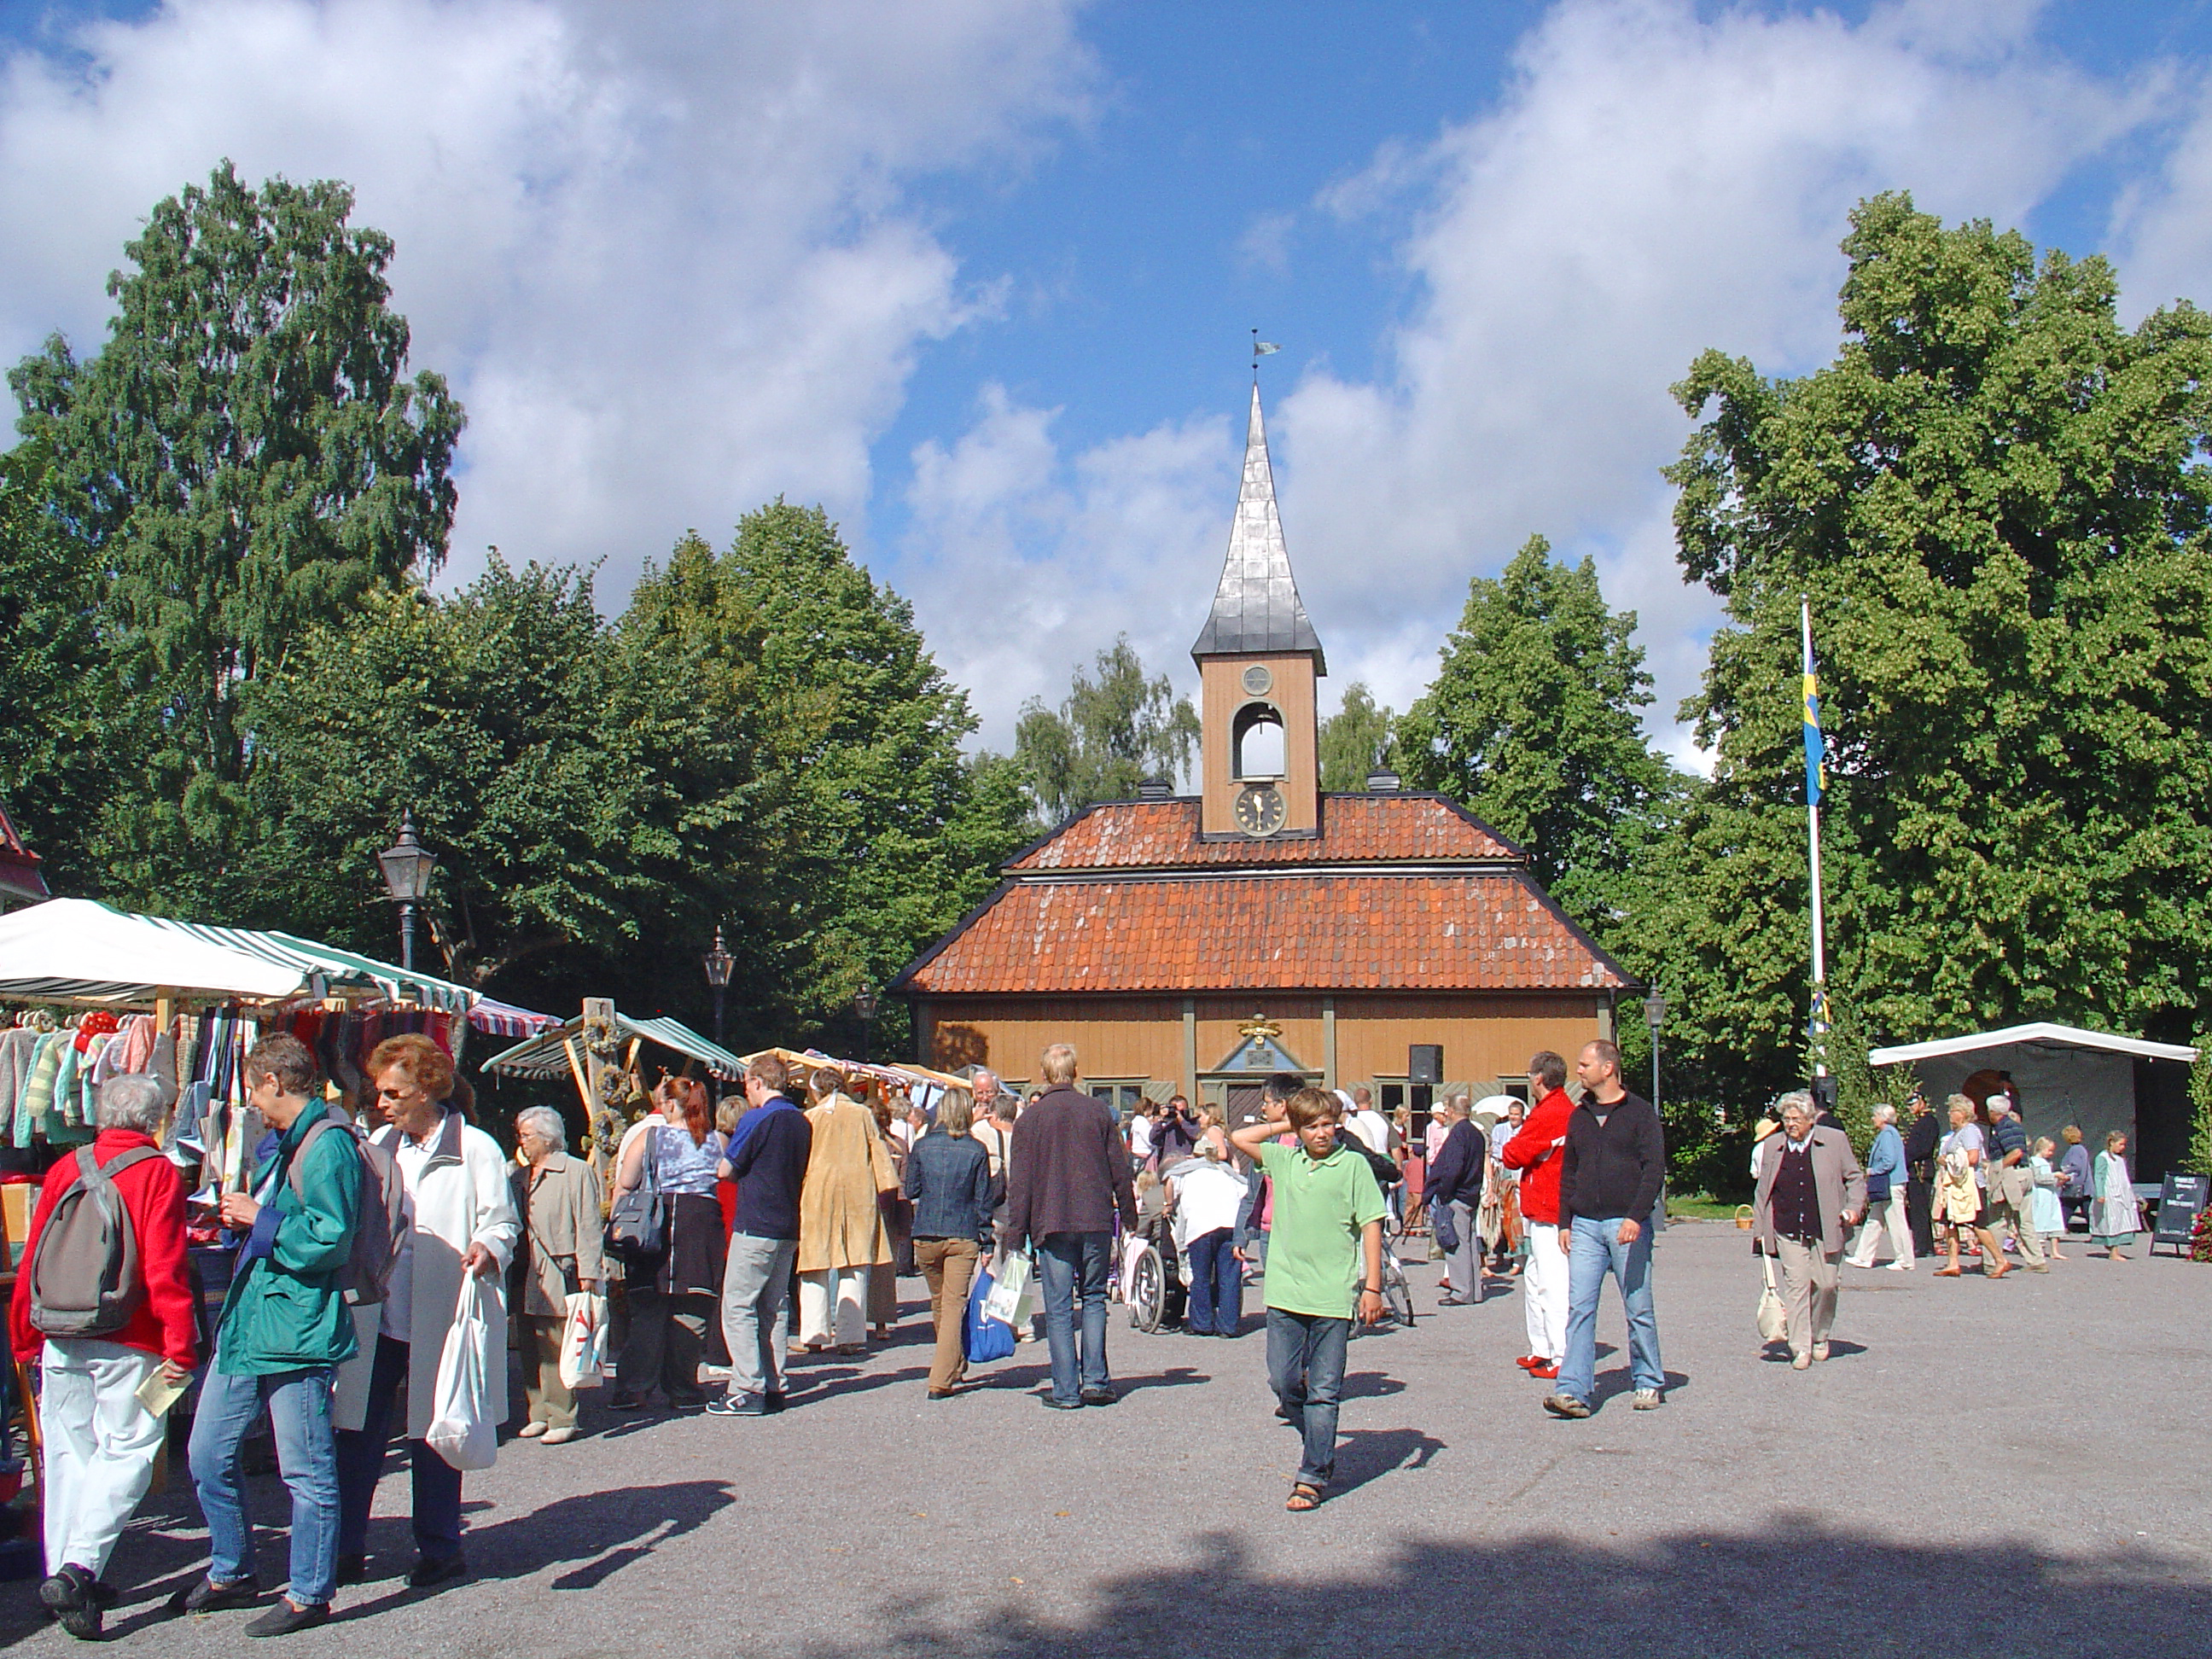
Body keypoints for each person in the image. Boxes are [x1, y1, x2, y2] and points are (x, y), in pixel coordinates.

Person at [178, 1033, 360, 1636]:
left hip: (296, 1324)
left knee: (305, 1469)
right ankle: (233, 1569)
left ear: (274, 1083)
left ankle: (310, 1592)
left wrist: (262, 1218)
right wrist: (242, 1217)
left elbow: (332, 1238)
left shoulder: (327, 1143)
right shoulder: (290, 1143)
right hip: (255, 1317)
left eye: (254, 1088)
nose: (252, 1101)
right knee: (206, 1452)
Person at [11, 1074, 194, 1638]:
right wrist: (181, 1344)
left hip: (61, 1332)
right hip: (129, 1334)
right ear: (153, 1118)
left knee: (69, 1457)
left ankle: (64, 1576)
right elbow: (164, 1267)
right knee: (130, 1453)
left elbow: (36, 1248)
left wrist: (23, 1332)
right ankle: (78, 1568)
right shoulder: (158, 1171)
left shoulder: (69, 1165)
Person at [335, 1034, 517, 1592]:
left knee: (436, 1433)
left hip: (443, 1308)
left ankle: (440, 1549)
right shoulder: (381, 1143)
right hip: (380, 1309)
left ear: (427, 1090)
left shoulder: (476, 1148)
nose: (381, 1102)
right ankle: (341, 1548)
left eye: (393, 1092)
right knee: (355, 1430)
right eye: (379, 1092)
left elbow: (503, 1220)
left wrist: (488, 1249)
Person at [1229, 1086, 1387, 1511]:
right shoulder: (1284, 1160)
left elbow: (1372, 1224)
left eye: (1328, 1125)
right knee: (1283, 1380)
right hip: (1285, 1291)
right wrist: (1290, 1122)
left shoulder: (1353, 1165)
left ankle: (1312, 1475)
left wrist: (1372, 1286)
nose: (1322, 1133)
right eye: (1313, 1126)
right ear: (1299, 1131)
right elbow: (1240, 1138)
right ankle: (1319, 1439)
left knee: (1324, 1390)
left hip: (1333, 1296)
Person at [1000, 1044, 1137, 1409]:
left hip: (1052, 1220)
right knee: (1093, 1298)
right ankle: (1095, 1382)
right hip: (1093, 1218)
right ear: (1075, 1072)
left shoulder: (1030, 1119)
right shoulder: (1098, 1112)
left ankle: (1065, 1390)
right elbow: (1119, 1170)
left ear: (1044, 1074)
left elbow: (1021, 1183)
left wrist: (1016, 1234)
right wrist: (1130, 1215)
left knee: (1059, 1307)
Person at [1544, 1040, 1665, 1419]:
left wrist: (1635, 1216)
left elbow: (1654, 1169)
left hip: (1626, 1224)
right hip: (1584, 1226)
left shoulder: (1640, 1113)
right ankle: (1572, 1389)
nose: (1579, 1071)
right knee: (1579, 1308)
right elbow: (1569, 1172)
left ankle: (1647, 1379)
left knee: (1638, 1306)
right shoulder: (1579, 1116)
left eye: (1585, 1064)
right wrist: (1565, 1221)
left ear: (1608, 1068)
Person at [608, 1078, 726, 1409]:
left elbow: (627, 1183)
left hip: (657, 1223)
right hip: (702, 1224)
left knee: (649, 1309)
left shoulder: (652, 1137)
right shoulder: (717, 1139)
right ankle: (684, 1388)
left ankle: (634, 1387)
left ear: (671, 1104)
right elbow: (728, 1177)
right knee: (693, 1308)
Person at [707, 1055, 812, 1417]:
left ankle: (746, 1387)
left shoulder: (756, 1118)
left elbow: (726, 1169)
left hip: (756, 1222)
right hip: (788, 1222)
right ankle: (774, 1383)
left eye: (748, 1085)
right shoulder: (801, 1121)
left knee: (737, 1305)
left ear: (757, 1082)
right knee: (774, 1305)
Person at [509, 1106, 603, 1445]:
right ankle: (538, 1412)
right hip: (524, 1268)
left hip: (560, 1268)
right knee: (528, 1342)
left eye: (526, 1135)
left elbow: (590, 1223)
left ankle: (562, 1416)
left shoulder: (575, 1171)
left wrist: (590, 1271)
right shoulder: (518, 1176)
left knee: (556, 1344)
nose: (522, 1141)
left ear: (548, 1138)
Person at [1753, 1091, 1866, 1369]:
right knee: (1797, 1287)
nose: (1790, 1124)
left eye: (1796, 1119)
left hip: (1825, 1227)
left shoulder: (1834, 1141)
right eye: (1786, 1119)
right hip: (1787, 1226)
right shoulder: (1773, 1145)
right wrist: (1759, 1228)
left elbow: (1855, 1178)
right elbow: (1763, 1190)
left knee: (1827, 1285)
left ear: (1810, 1120)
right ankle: (1800, 1347)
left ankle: (1820, 1336)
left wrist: (1853, 1208)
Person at [904, 1090, 997, 1398]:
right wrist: (987, 1241)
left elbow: (912, 1188)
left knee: (940, 1302)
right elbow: (984, 1201)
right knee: (953, 1304)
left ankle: (952, 1362)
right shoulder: (976, 1149)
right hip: (963, 1232)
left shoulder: (922, 1146)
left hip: (927, 1231)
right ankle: (941, 1378)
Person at [795, 1069, 896, 1354]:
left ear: (817, 1091)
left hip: (817, 1194)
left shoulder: (811, 1118)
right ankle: (851, 1336)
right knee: (855, 1265)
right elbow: (877, 1150)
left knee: (815, 1265)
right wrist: (886, 1185)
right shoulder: (862, 1114)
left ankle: (814, 1335)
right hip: (857, 1194)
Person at [1503, 1051, 1573, 1380]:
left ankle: (1560, 1354)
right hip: (1540, 1207)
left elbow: (1513, 1154)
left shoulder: (1551, 1112)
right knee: (1534, 1279)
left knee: (1552, 1284)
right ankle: (1542, 1347)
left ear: (1538, 1078)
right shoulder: (1555, 1109)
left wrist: (1518, 1148)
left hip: (1549, 1208)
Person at [1167, 1140, 1249, 1336]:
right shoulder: (1227, 1172)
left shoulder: (1186, 1171)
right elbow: (1245, 1192)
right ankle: (1228, 1326)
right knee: (1229, 1277)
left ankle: (1202, 1323)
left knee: (1201, 1275)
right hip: (1229, 1224)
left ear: (1194, 1155)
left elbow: (1169, 1182)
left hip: (1201, 1226)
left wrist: (1168, 1203)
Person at [1973, 1090, 2046, 1275]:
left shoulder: (2004, 1127)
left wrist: (1996, 1169)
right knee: (2024, 1220)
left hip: (2012, 1175)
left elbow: (2015, 1153)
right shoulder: (2014, 1125)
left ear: (1993, 1112)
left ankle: (1992, 1261)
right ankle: (2036, 1260)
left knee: (1997, 1219)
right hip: (2024, 1173)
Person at [1423, 1096, 1487, 1307]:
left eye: (1448, 1109)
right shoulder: (1477, 1133)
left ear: (1452, 1110)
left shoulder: (1458, 1134)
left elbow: (1453, 1167)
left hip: (1457, 1195)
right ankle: (1473, 1290)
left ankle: (1461, 1291)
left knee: (1456, 1245)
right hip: (1471, 1194)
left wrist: (1444, 1191)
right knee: (1469, 1244)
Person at [1845, 1103, 1912, 1271]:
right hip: (1886, 1185)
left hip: (1891, 1183)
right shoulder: (1887, 1134)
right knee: (1874, 1221)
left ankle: (1905, 1260)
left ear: (1883, 1118)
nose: (1873, 1118)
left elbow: (1889, 1160)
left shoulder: (1888, 1134)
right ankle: (1863, 1256)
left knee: (1896, 1222)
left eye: (1875, 1115)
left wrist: (1873, 1170)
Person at [1934, 1094, 1985, 1277]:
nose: (1949, 1114)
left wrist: (1947, 1160)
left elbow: (1972, 1158)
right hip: (1955, 1185)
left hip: (1969, 1185)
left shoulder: (1970, 1131)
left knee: (1978, 1224)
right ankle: (1952, 1263)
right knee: (1951, 1224)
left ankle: (1999, 1259)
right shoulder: (1957, 1133)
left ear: (1962, 1113)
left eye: (1952, 1110)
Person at [1901, 1090, 1941, 1258]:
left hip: (1921, 1169)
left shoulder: (1928, 1122)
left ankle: (1922, 1246)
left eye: (1913, 1104)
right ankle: (1924, 1244)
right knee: (1919, 1208)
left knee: (1920, 1209)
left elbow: (1922, 1148)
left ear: (1922, 1102)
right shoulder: (1920, 1122)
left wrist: (1906, 1157)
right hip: (1914, 1169)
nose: (1911, 1107)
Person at [2091, 1131, 2142, 1260]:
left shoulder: (2120, 1159)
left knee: (2123, 1221)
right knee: (2113, 1222)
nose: (2123, 1147)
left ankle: (2114, 1247)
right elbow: (2099, 1176)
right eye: (2120, 1144)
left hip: (2122, 1194)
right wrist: (2100, 1194)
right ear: (2112, 1143)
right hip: (2110, 1195)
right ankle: (2114, 1252)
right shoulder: (2103, 1158)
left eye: (2124, 1145)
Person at [2029, 1137, 2067, 1260]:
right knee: (2040, 1220)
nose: (2051, 1153)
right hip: (2040, 1195)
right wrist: (2055, 1175)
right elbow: (2039, 1178)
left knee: (2054, 1219)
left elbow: (2049, 1180)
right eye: (2049, 1150)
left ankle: (2055, 1251)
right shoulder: (2034, 1161)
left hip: (2051, 1194)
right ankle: (2038, 1250)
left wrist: (2059, 1181)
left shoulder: (2047, 1162)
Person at [2058, 1125, 2093, 1236]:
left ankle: (2058, 1230)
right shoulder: (2081, 1149)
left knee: (2066, 1208)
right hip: (2085, 1187)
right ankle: (2096, 1232)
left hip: (2077, 1187)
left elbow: (2077, 1166)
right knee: (2087, 1212)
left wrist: (2064, 1170)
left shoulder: (2075, 1150)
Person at [1342, 1086, 1392, 1158]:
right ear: (1371, 1101)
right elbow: (1395, 1147)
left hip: (1362, 1157)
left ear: (1354, 1102)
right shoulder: (1383, 1118)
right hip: (1383, 1158)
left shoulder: (1351, 1120)